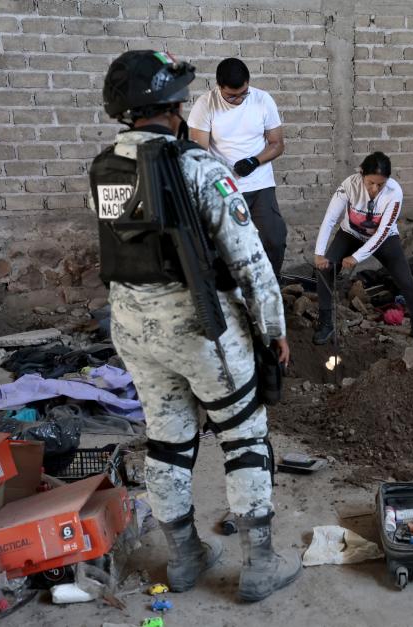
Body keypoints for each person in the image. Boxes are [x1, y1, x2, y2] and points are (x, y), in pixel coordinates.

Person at [91, 50, 300, 601]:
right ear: (175, 105)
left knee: (167, 442)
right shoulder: (201, 168)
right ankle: (259, 565)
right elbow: (250, 260)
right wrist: (274, 329)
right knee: (244, 436)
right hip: (200, 327)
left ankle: (185, 560)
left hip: (134, 330)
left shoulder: (106, 166)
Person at [313, 152, 413, 345]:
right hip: (350, 233)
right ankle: (325, 324)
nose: (375, 189)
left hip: (384, 238)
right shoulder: (349, 185)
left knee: (406, 282)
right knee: (325, 270)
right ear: (361, 175)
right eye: (370, 183)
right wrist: (319, 253)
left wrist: (357, 257)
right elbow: (330, 219)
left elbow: (382, 233)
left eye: (380, 184)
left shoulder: (394, 192)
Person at [188, 58, 287, 277]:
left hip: (259, 183)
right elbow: (198, 153)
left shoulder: (262, 100)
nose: (239, 99)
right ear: (219, 86)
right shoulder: (205, 105)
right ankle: (230, 296)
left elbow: (277, 144)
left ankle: (270, 288)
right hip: (224, 187)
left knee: (274, 238)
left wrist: (255, 161)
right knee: (225, 246)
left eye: (244, 93)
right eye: (231, 96)